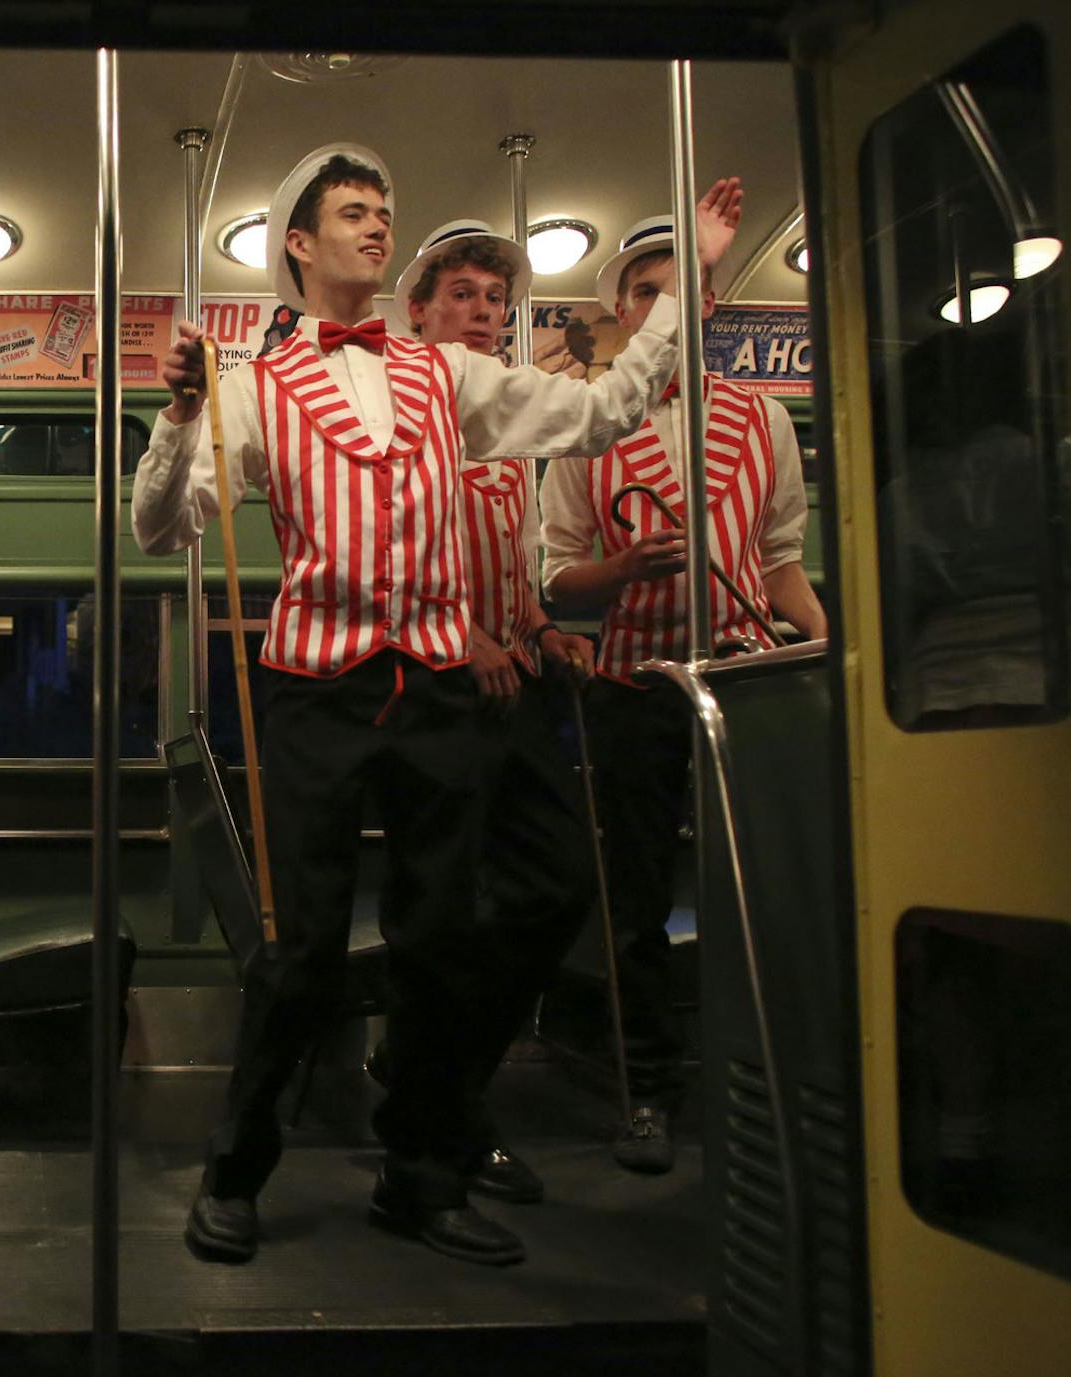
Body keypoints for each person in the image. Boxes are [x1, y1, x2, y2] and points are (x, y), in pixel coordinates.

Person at [134, 142, 740, 1267]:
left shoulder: (445, 375)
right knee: (299, 949)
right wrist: (177, 421)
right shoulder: (253, 387)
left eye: (385, 210)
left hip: (438, 688)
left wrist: (687, 292)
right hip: (314, 690)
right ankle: (236, 1168)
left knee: (440, 941)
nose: (379, 227)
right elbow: (165, 529)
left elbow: (604, 411)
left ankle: (418, 1175)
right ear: (300, 246)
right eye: (355, 213)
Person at [539, 212, 825, 1174]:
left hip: (743, 684)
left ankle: (771, 1073)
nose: (669, 308)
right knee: (637, 899)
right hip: (635, 687)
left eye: (685, 291)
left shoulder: (766, 420)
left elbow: (779, 563)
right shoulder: (588, 428)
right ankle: (649, 1087)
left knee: (760, 883)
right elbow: (556, 579)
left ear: (710, 305)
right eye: (649, 293)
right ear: (623, 311)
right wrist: (620, 567)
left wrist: (829, 656)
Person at [353, 220, 600, 1205]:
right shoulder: (395, 413)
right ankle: (440, 1113)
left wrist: (540, 629)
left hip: (513, 690)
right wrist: (462, 634)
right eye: (461, 294)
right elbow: (376, 557)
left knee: (557, 886)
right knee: (446, 915)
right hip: (430, 691)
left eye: (495, 301)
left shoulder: (510, 430)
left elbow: (518, 563)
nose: (483, 313)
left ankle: (434, 1076)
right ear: (417, 310)